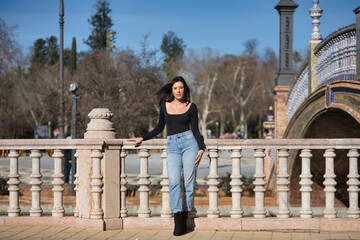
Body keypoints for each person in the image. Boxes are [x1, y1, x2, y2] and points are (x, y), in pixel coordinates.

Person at [128, 76, 205, 236]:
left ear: (185, 90)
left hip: (189, 144)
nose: (178, 90)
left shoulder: (191, 107)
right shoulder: (165, 106)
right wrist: (143, 137)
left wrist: (201, 147)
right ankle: (177, 219)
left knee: (189, 184)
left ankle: (184, 216)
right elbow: (159, 127)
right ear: (172, 90)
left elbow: (196, 130)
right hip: (172, 147)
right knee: (174, 182)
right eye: (175, 88)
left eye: (181, 87)